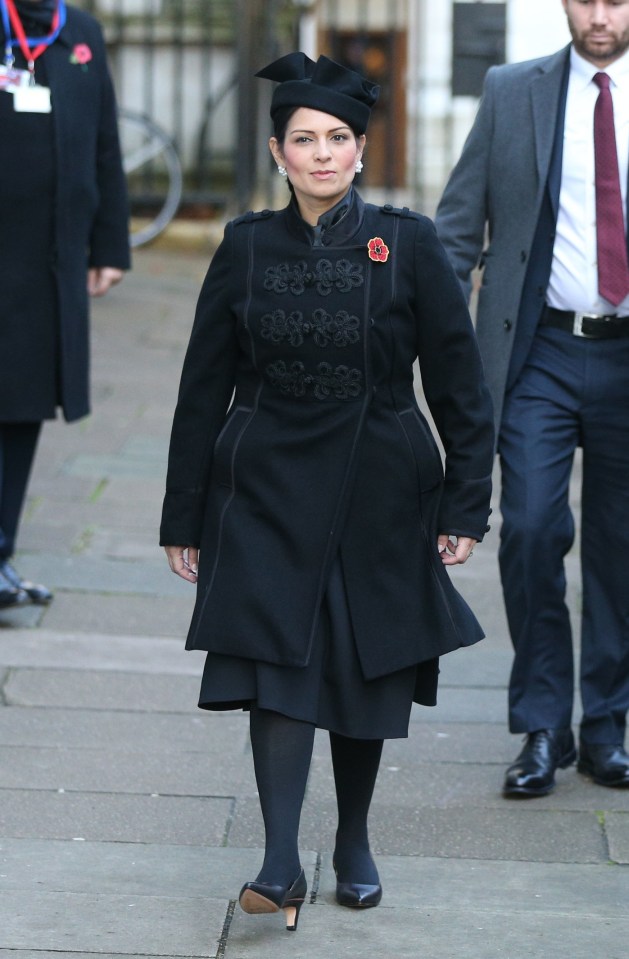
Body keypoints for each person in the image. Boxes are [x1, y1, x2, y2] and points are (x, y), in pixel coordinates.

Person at [160, 51, 494, 933]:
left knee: (359, 668)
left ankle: (351, 838)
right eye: (301, 138)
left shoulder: (409, 243)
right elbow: (202, 390)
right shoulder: (244, 247)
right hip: (263, 483)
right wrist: (183, 513)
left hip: (379, 485)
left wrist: (466, 502)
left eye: (336, 138)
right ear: (276, 152)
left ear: (357, 150)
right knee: (276, 664)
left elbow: (458, 386)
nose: (320, 153)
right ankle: (278, 857)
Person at [436, 0, 629, 797]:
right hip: (537, 352)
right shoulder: (511, 90)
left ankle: (606, 724)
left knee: (619, 548)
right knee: (528, 528)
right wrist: (441, 347)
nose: (599, 15)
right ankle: (542, 723)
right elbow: (454, 229)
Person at [0, 0, 129, 610]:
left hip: (48, 260)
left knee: (23, 406)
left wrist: (109, 245)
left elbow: (105, 140)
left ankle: (1, 555)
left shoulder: (80, 34)